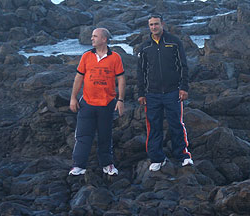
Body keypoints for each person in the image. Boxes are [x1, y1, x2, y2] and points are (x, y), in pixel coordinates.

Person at [137, 14, 193, 171]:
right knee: (153, 126)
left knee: (176, 124)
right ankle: (157, 158)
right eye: (151, 25)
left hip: (173, 92)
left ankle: (183, 155)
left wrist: (184, 87)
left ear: (162, 24)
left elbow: (183, 66)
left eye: (156, 24)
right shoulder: (145, 47)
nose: (153, 27)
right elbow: (140, 72)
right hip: (152, 94)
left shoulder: (174, 42)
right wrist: (141, 93)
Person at [69, 27, 126, 176]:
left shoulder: (115, 57)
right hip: (87, 103)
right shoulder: (86, 56)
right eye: (92, 36)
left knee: (105, 136)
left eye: (95, 36)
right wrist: (73, 98)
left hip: (107, 104)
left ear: (104, 39)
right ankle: (78, 166)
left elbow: (121, 79)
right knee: (83, 136)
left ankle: (107, 165)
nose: (91, 39)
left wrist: (120, 100)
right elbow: (79, 77)